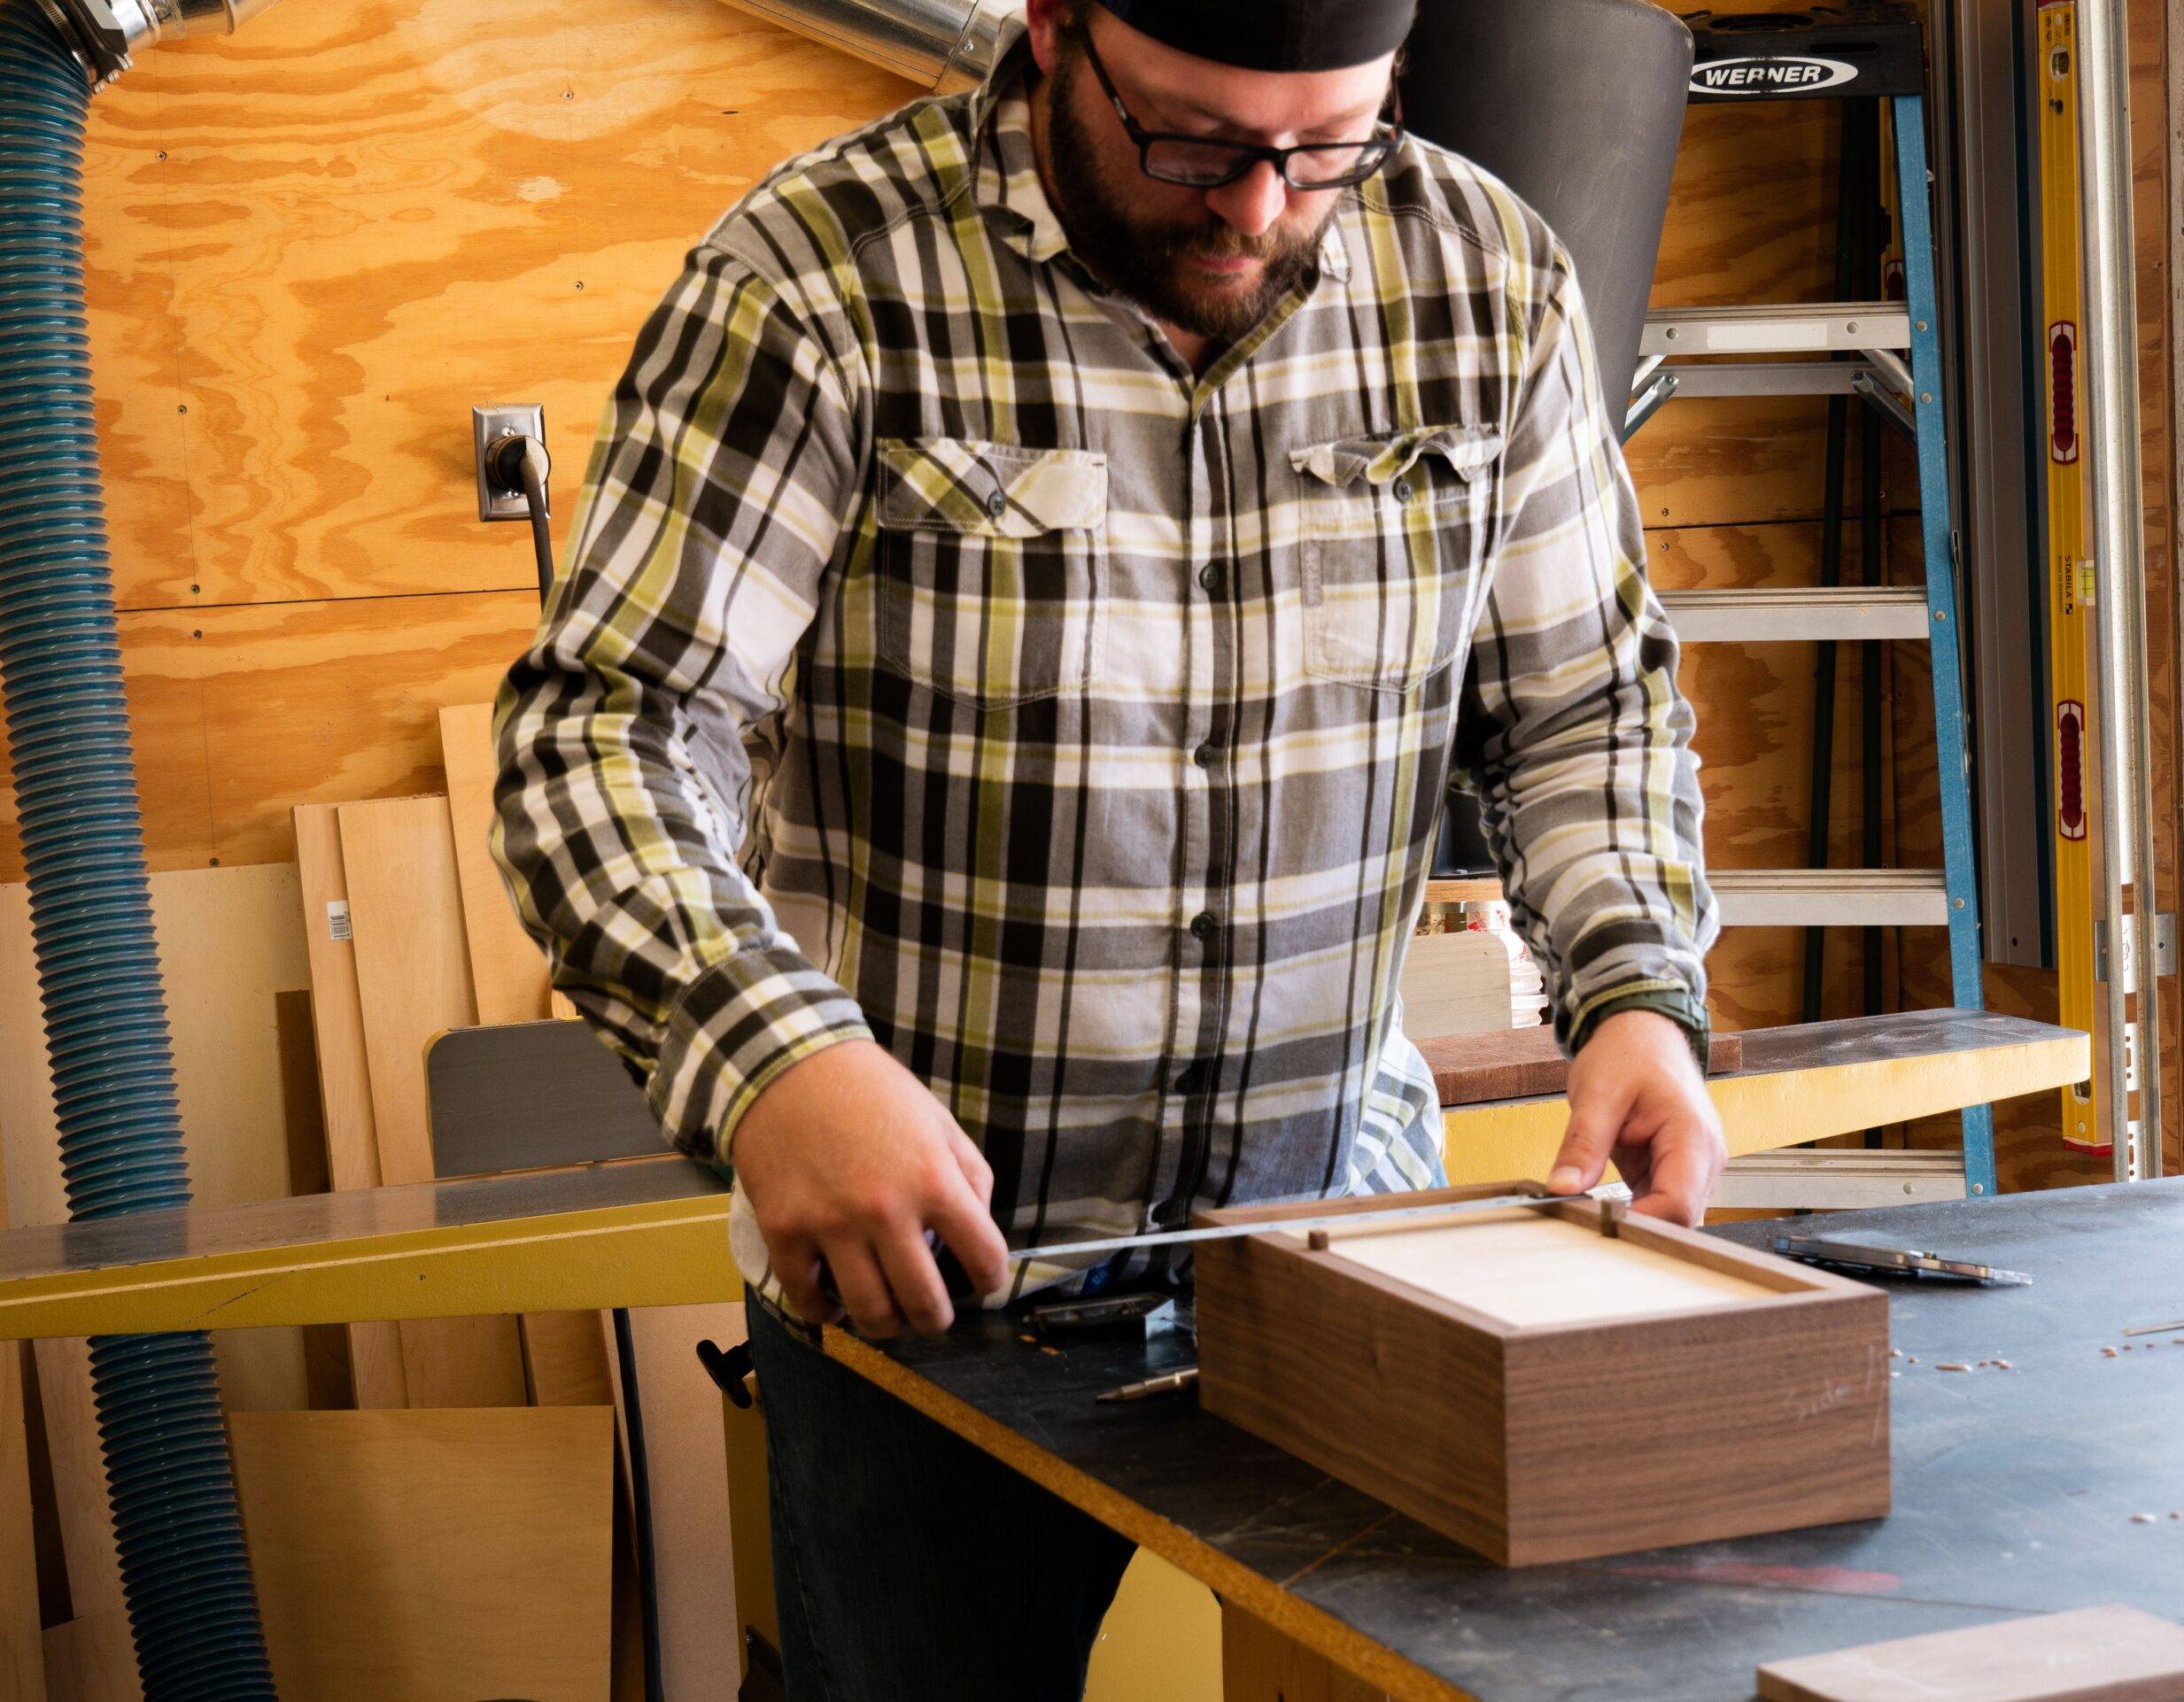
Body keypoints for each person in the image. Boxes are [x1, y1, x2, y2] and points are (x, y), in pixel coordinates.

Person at [492, 0, 1724, 1692]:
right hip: (926, 1291)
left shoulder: (1483, 276)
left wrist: (1640, 989)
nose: (1260, 209)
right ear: (1055, 28)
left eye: (1326, 146)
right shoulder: (824, 279)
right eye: (1194, 144)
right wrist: (774, 1064)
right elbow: (604, 731)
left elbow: (1586, 705)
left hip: (1342, 1251)